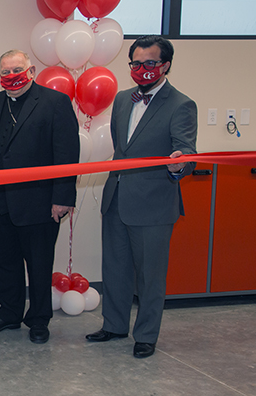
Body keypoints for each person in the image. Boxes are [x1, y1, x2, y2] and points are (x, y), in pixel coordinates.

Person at [86, 35, 197, 359]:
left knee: (150, 275)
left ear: (166, 65)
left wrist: (180, 163)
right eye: (136, 63)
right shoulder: (122, 100)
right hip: (117, 197)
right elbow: (124, 148)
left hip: (153, 204)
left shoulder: (181, 104)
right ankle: (115, 325)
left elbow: (186, 150)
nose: (142, 69)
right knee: (115, 267)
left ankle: (146, 334)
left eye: (150, 63)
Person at [0, 49, 79, 344]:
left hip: (40, 203)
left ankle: (38, 319)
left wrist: (63, 198)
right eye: (5, 72)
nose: (12, 76)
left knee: (38, 264)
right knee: (4, 262)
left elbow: (67, 154)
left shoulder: (55, 102)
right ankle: (8, 313)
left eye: (17, 69)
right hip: (0, 203)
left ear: (31, 70)